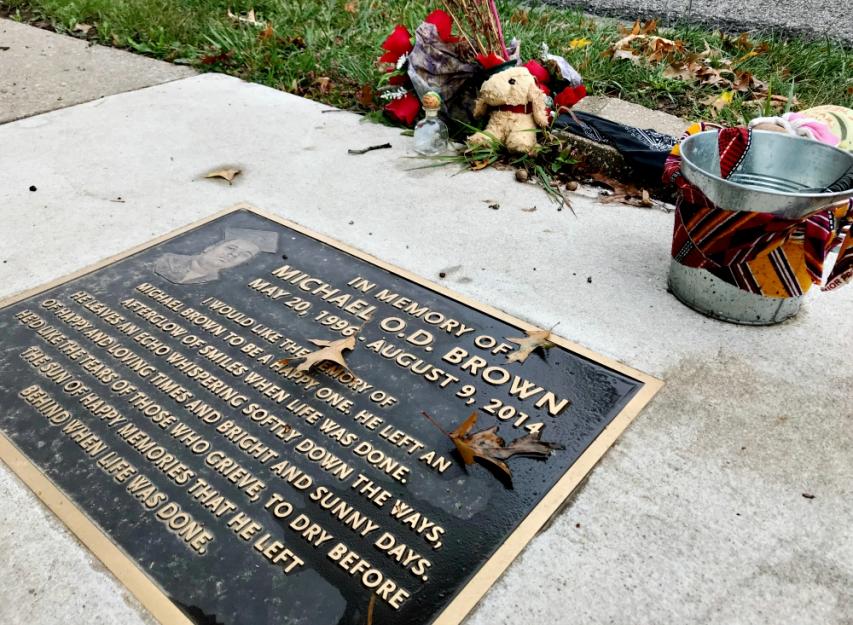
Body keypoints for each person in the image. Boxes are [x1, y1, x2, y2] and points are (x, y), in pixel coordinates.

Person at [154, 227, 278, 285]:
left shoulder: (216, 285)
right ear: (209, 247)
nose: (233, 255)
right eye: (231, 248)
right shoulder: (165, 260)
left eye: (244, 255)